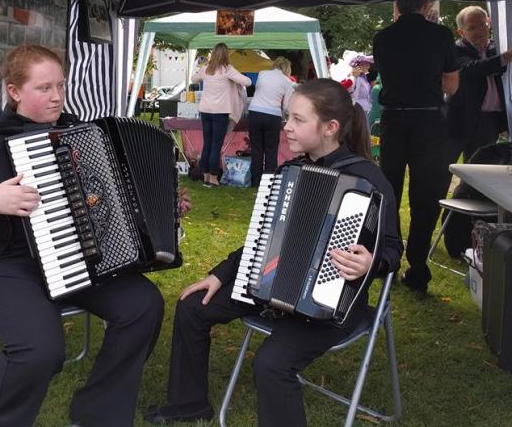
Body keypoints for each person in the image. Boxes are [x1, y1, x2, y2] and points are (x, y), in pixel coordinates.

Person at [0, 45, 188, 427]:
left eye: (60, 85)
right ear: (14, 92)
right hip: (5, 265)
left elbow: (108, 199)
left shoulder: (81, 134)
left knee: (143, 305)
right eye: (44, 88)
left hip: (72, 256)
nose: (57, 96)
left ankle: (98, 413)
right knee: (39, 350)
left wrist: (160, 201)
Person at [144, 79, 403, 426]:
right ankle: (189, 403)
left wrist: (372, 261)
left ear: (330, 128)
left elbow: (392, 248)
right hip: (271, 287)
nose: (287, 127)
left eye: (297, 119)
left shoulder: (367, 180)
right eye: (287, 117)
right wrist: (220, 275)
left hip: (332, 304)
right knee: (193, 306)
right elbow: (262, 240)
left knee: (270, 363)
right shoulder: (289, 173)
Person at [372, 0, 459, 294]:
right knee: (425, 196)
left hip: (394, 120)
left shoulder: (382, 38)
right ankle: (418, 268)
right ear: (427, 5)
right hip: (428, 122)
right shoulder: (441, 35)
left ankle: (389, 260)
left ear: (397, 5)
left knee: (389, 192)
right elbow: (451, 86)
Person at [444, 6, 512, 169]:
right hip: (458, 119)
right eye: (472, 28)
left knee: (479, 171)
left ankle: (469, 195)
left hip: (489, 121)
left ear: (489, 23)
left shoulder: (500, 47)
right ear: (461, 32)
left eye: (482, 25)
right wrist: (510, 56)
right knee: (442, 169)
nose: (479, 31)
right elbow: (470, 69)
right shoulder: (455, 50)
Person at [192, 43, 251, 187]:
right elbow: (248, 82)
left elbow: (193, 79)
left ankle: (205, 175)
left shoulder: (206, 69)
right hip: (220, 112)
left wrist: (200, 69)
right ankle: (213, 177)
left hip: (205, 111)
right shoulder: (227, 70)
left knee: (207, 144)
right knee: (216, 145)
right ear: (226, 54)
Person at [247, 56, 296, 186]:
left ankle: (255, 181)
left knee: (256, 149)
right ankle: (268, 182)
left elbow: (259, 90)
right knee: (271, 150)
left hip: (255, 112)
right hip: (273, 115)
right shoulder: (287, 81)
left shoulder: (262, 74)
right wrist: (287, 117)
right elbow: (287, 105)